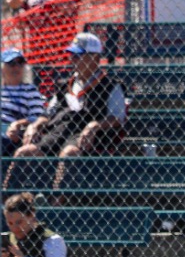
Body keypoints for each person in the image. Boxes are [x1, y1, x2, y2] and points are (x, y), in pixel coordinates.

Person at [4, 33, 126, 190]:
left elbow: (117, 118)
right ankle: (7, 200)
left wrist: (94, 126)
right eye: (72, 55)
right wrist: (35, 125)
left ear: (95, 58)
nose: (73, 60)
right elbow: (48, 113)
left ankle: (57, 206)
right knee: (25, 151)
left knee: (69, 153)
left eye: (78, 56)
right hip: (58, 131)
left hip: (85, 136)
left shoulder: (110, 85)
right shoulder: (65, 84)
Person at [1, 193, 68, 257]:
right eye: (10, 223)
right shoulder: (8, 239)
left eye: (19, 222)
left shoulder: (52, 240)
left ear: (31, 215)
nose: (14, 228)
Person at [2, 49, 46, 157]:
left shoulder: (30, 90)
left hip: (14, 134)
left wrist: (18, 124)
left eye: (20, 63)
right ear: (2, 67)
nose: (16, 67)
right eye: (12, 64)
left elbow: (38, 117)